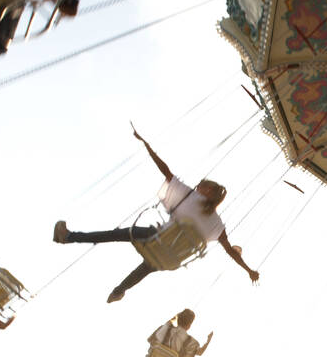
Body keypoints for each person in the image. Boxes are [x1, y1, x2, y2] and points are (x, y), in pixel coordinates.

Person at [52, 125, 260, 303]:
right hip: (171, 260)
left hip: (156, 240)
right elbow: (230, 252)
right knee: (147, 267)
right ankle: (118, 291)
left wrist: (146, 145)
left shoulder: (190, 197)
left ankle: (69, 237)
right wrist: (248, 269)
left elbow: (166, 171)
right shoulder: (217, 226)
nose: (197, 186)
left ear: (208, 191)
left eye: (201, 185)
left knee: (116, 234)